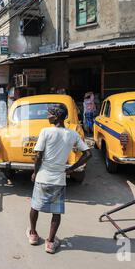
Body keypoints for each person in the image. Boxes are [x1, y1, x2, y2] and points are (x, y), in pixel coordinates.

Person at [28, 105, 92, 254]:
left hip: (43, 177)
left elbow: (38, 156)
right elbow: (88, 154)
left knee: (35, 206)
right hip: (59, 179)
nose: (47, 116)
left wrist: (35, 172)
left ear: (56, 117)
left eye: (49, 114)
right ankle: (50, 242)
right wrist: (72, 168)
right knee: (56, 212)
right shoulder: (72, 134)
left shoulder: (45, 132)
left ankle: (33, 234)